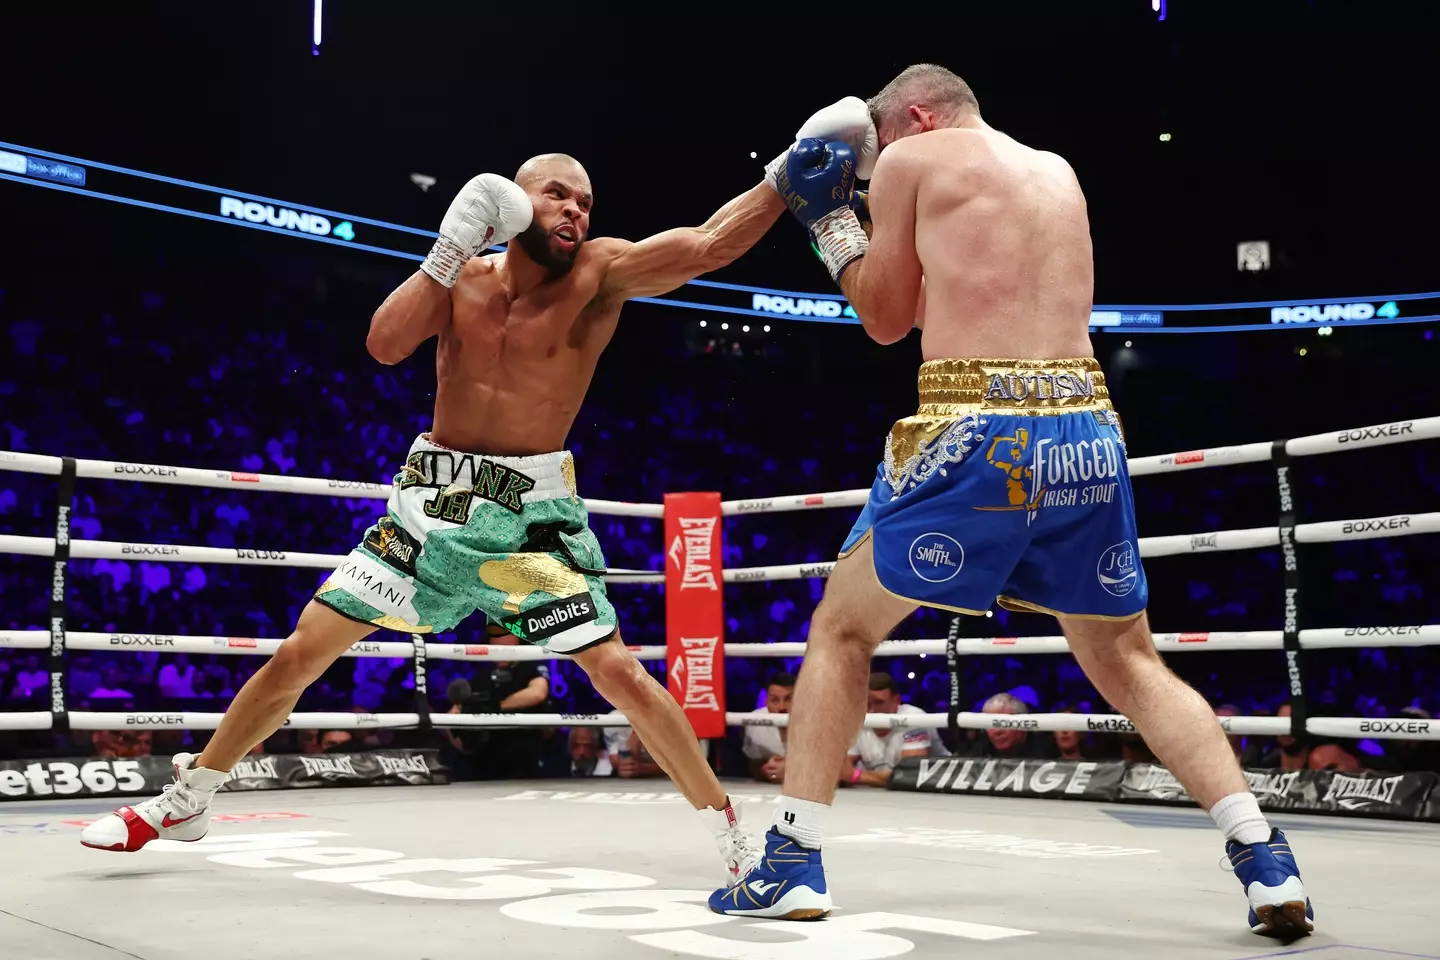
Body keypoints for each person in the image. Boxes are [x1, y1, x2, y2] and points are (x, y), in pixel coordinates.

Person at [79, 97, 878, 889]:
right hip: (430, 509)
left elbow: (703, 246)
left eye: (586, 201)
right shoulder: (461, 276)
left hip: (529, 528)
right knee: (300, 652)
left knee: (618, 672)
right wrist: (446, 246)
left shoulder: (598, 274)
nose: (574, 209)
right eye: (558, 193)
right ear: (514, 197)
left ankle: (731, 832)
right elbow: (385, 345)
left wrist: (781, 177)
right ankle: (189, 800)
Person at [712, 64, 1313, 937]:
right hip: (1088, 429)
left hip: (976, 425)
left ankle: (792, 862)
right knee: (1128, 662)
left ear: (915, 117)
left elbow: (884, 318)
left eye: (881, 147)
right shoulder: (1056, 169)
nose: (877, 166)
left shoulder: (914, 162)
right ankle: (1263, 858)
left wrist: (832, 222)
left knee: (843, 629)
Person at [840, 672, 946, 787]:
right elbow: (840, 771)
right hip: (884, 794)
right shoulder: (859, 720)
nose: (872, 710)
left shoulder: (913, 718)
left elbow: (908, 775)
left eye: (879, 702)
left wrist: (856, 776)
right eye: (866, 704)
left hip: (942, 787)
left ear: (896, 700)